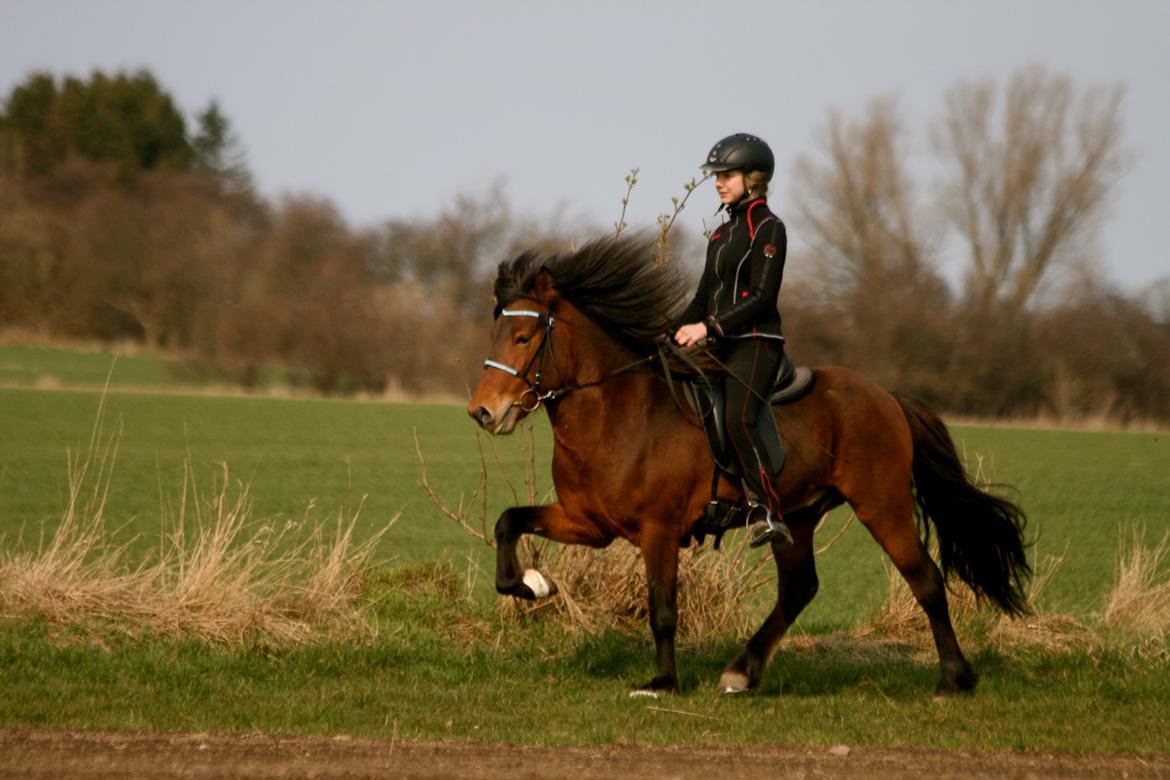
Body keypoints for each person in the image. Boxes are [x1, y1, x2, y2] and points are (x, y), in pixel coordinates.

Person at [672, 132, 794, 549]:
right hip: (721, 342)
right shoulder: (720, 236)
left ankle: (767, 511)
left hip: (757, 341)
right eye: (716, 176)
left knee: (739, 418)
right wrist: (670, 333)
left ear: (753, 178)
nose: (719, 182)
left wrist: (708, 329)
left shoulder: (769, 228)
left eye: (727, 174)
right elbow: (703, 299)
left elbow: (761, 298)